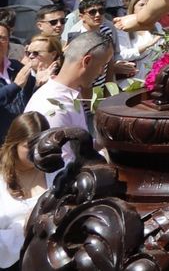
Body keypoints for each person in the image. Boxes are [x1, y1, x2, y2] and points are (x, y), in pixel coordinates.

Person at [23, 30, 111, 132]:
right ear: (87, 61)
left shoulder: (72, 96)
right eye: (102, 65)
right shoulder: (54, 108)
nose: (101, 72)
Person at [0, 112, 47, 269]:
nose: (36, 152)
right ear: (14, 143)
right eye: (29, 146)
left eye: (41, 145)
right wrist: (23, 229)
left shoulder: (56, 172)